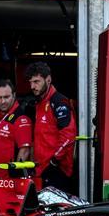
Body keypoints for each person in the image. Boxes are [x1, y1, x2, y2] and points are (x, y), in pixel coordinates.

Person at [27, 62, 77, 193]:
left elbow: (69, 135)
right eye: (30, 82)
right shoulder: (38, 103)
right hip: (41, 170)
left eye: (36, 81)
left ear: (48, 79)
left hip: (57, 171)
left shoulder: (58, 102)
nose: (32, 86)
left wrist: (54, 161)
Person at [0, 79, 33, 179]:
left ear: (14, 95)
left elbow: (25, 151)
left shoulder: (20, 119)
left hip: (9, 181)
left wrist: (15, 177)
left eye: (6, 97)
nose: (3, 101)